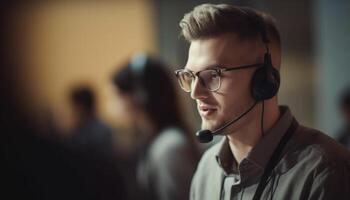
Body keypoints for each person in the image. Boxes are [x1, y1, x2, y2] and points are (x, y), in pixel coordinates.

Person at [174, 4, 350, 200]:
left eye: (213, 75)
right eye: (190, 76)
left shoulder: (326, 171)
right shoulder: (207, 170)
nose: (195, 93)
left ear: (265, 81)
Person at [112, 53, 199, 200]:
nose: (114, 105)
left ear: (140, 96)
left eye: (118, 96)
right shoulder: (153, 141)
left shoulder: (170, 147)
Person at [68, 86, 114, 158]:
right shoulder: (78, 129)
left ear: (82, 107)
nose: (72, 111)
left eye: (74, 107)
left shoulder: (99, 131)